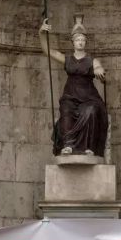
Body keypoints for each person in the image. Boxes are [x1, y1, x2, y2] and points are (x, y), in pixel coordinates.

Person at [39, 16, 108, 157]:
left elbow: (98, 68)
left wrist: (100, 70)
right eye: (77, 40)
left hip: (88, 97)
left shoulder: (91, 60)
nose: (80, 42)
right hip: (70, 96)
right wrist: (41, 33)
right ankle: (68, 145)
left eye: (82, 40)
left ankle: (89, 147)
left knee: (91, 111)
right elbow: (48, 51)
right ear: (73, 42)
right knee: (66, 109)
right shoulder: (67, 59)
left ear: (86, 42)